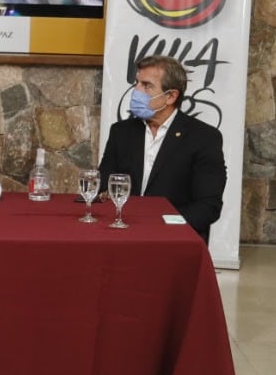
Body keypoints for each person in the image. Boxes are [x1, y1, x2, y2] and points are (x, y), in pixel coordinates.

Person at [97, 55, 226, 242]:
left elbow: (208, 207)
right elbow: (103, 182)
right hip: (121, 234)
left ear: (171, 96)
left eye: (146, 86)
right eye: (137, 83)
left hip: (174, 239)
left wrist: (159, 224)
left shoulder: (204, 138)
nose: (136, 91)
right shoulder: (121, 132)